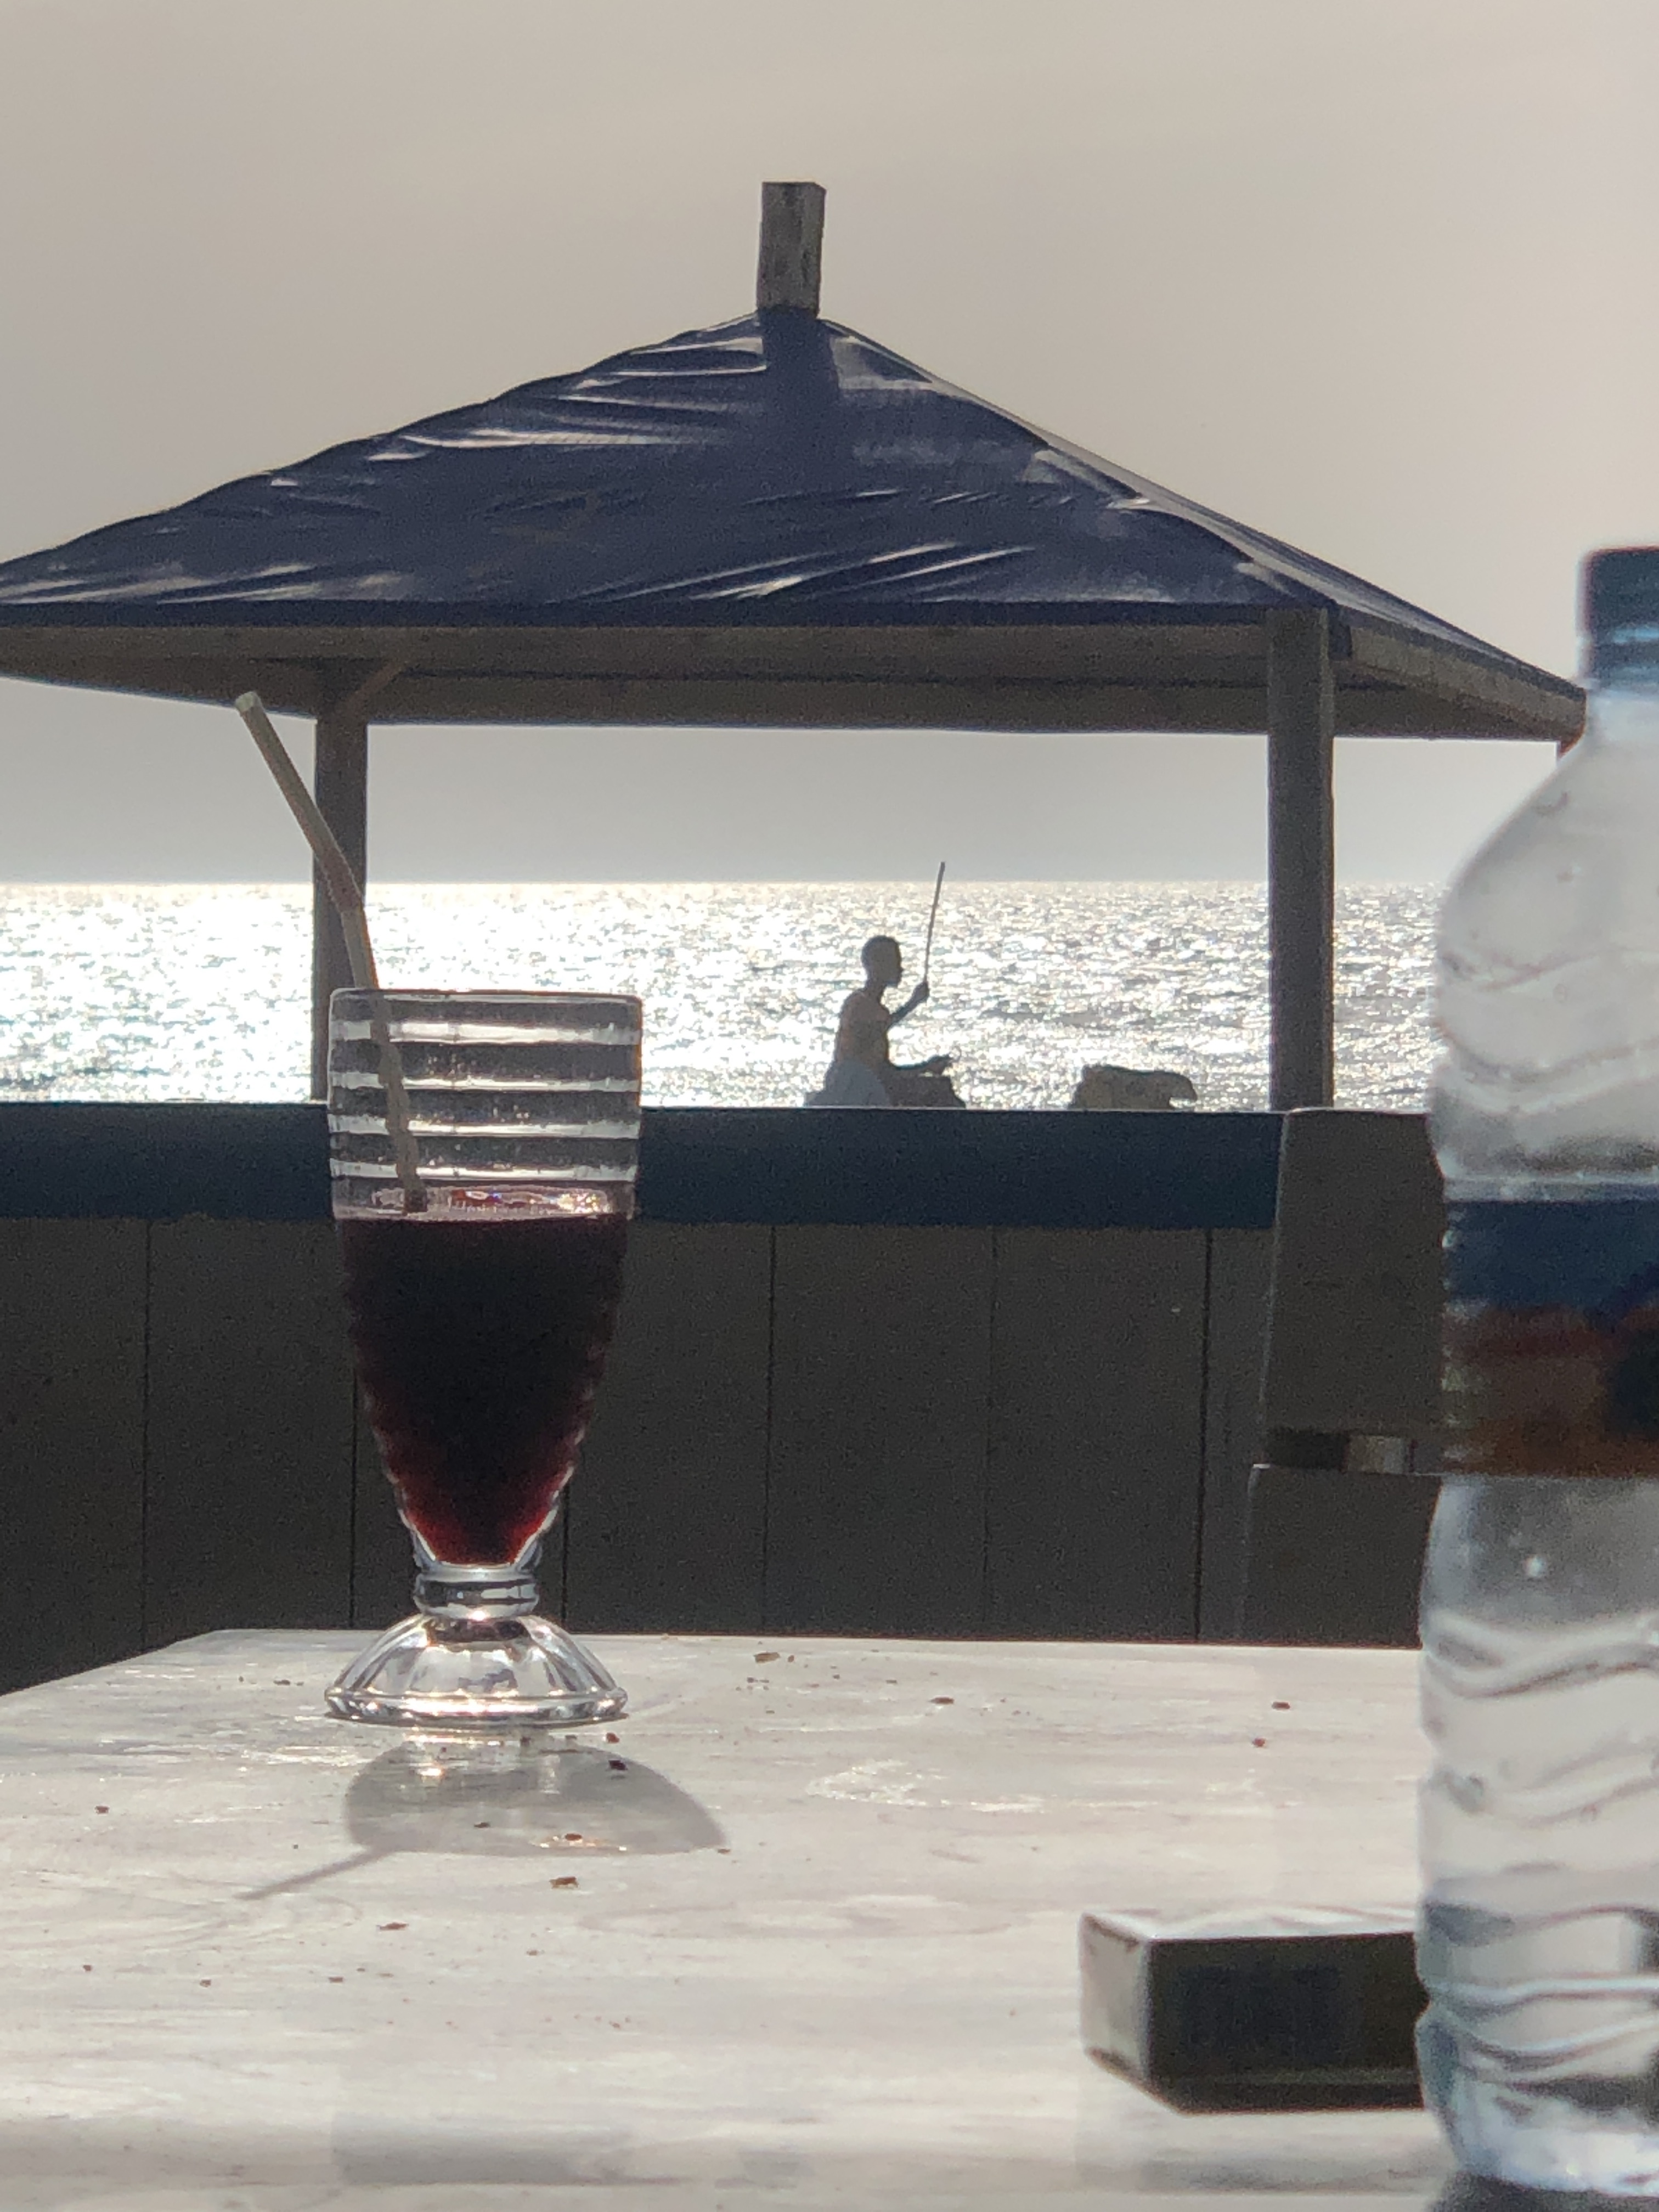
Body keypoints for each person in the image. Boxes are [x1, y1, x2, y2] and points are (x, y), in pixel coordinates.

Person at [808, 934, 952, 1107]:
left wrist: (926, 1067)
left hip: (872, 1085)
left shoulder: (878, 1012)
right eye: (894, 962)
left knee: (941, 1090)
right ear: (875, 966)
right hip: (852, 1089)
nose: (901, 969)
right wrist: (912, 1004)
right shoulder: (857, 1004)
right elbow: (873, 1033)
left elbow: (887, 1072)